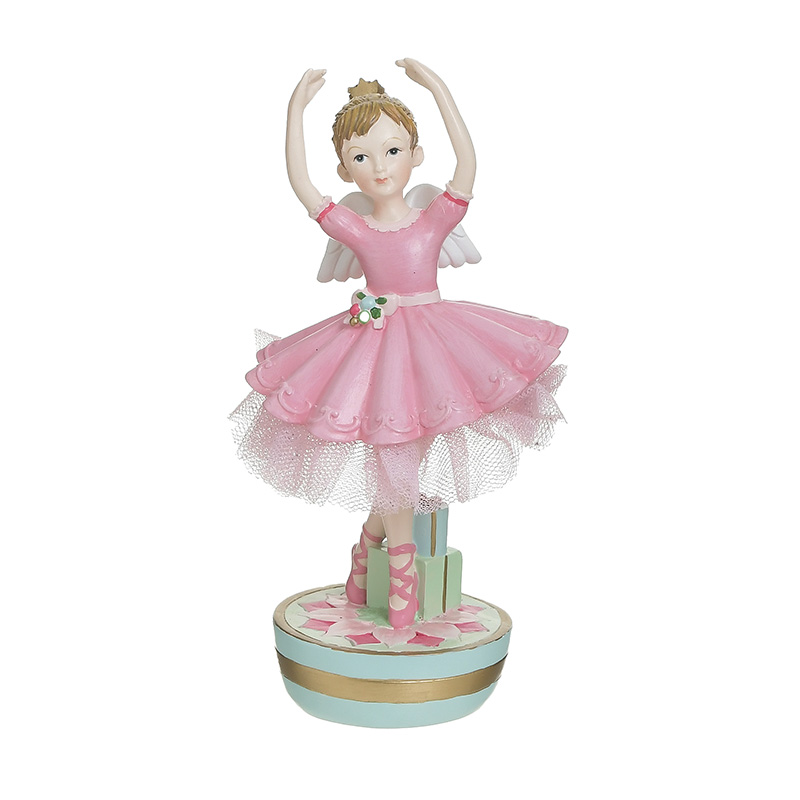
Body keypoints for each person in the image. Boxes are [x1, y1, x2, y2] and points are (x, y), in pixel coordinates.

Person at [231, 59, 567, 627]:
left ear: (415, 154)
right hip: (374, 344)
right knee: (394, 454)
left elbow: (468, 166)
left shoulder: (433, 218)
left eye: (393, 150)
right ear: (345, 168)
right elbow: (303, 186)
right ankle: (397, 564)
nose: (381, 166)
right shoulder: (354, 227)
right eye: (361, 157)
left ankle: (371, 544)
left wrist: (438, 89)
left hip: (436, 343)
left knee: (408, 457)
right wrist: (295, 112)